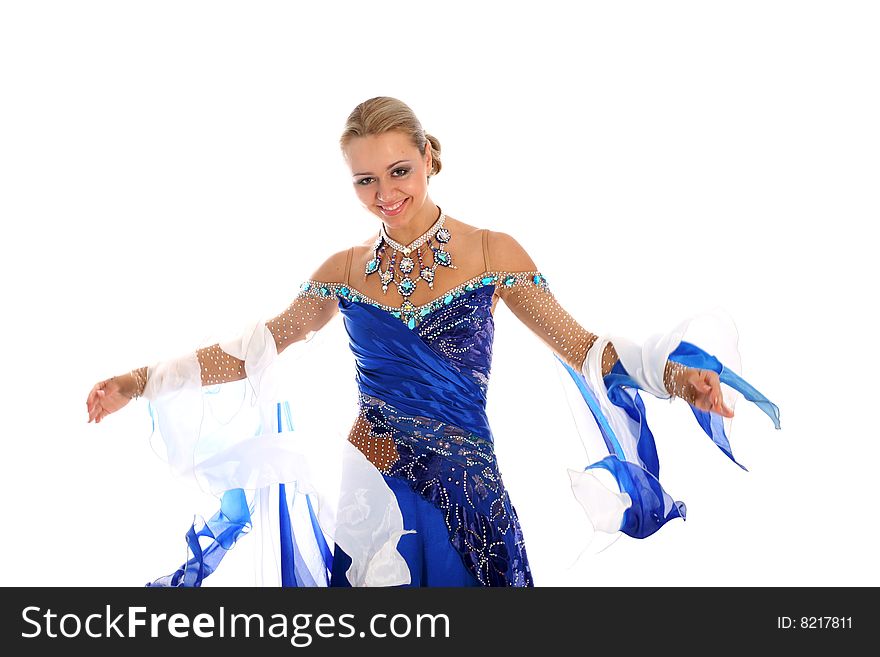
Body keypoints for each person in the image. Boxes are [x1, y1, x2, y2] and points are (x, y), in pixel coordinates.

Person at [85, 96, 780, 587]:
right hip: (375, 472)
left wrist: (678, 373)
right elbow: (254, 348)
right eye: (365, 179)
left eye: (397, 170)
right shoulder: (345, 271)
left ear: (427, 156)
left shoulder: (490, 250)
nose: (385, 192)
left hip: (470, 482)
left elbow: (583, 346)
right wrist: (138, 379)